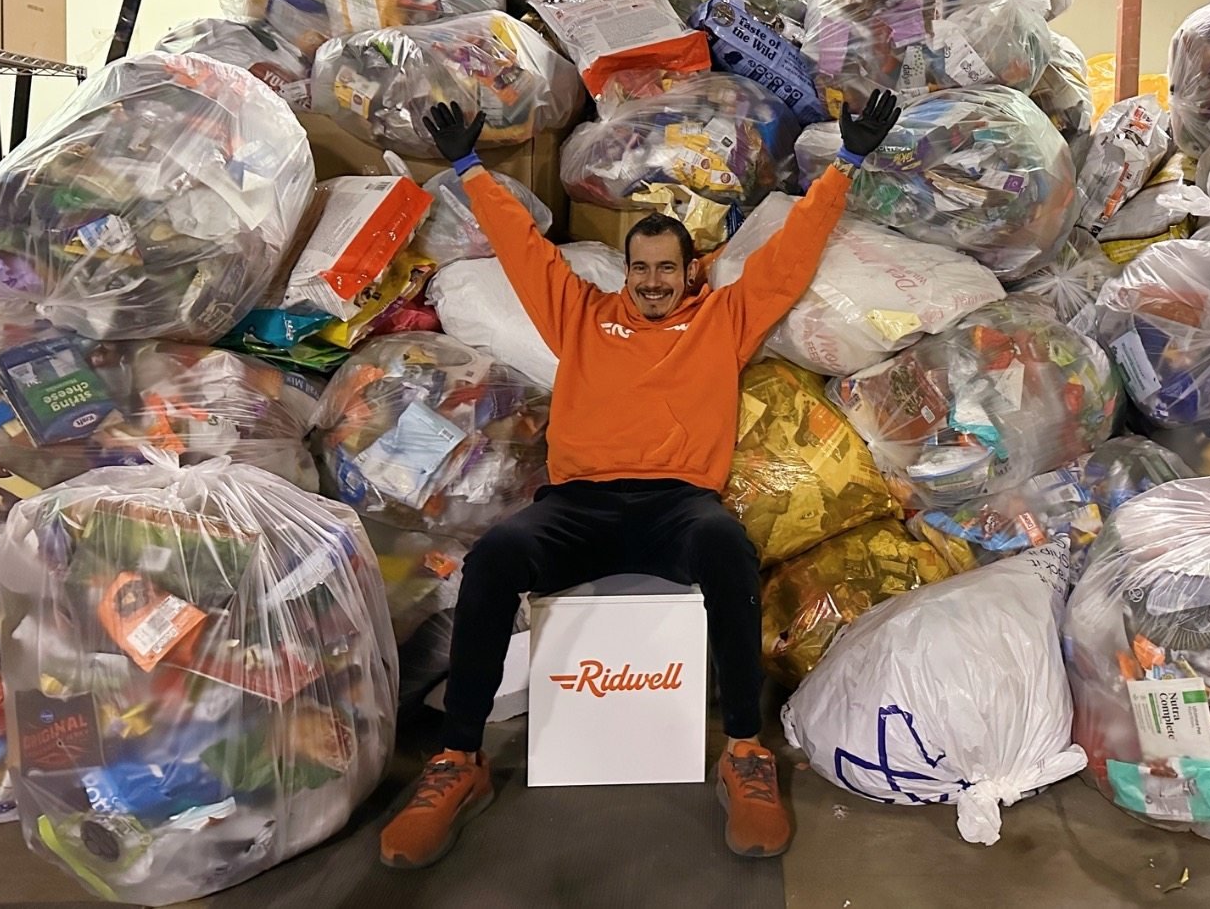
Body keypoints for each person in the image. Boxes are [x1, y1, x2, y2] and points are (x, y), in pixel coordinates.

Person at [379, 88, 901, 869]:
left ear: (690, 270)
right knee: (493, 559)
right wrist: (467, 166)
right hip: (577, 507)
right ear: (627, 271)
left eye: (667, 268)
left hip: (677, 508)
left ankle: (746, 753)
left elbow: (790, 257)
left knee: (726, 545)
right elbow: (522, 248)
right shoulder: (583, 315)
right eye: (642, 268)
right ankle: (459, 761)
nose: (654, 281)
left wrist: (848, 164)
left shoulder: (722, 319)